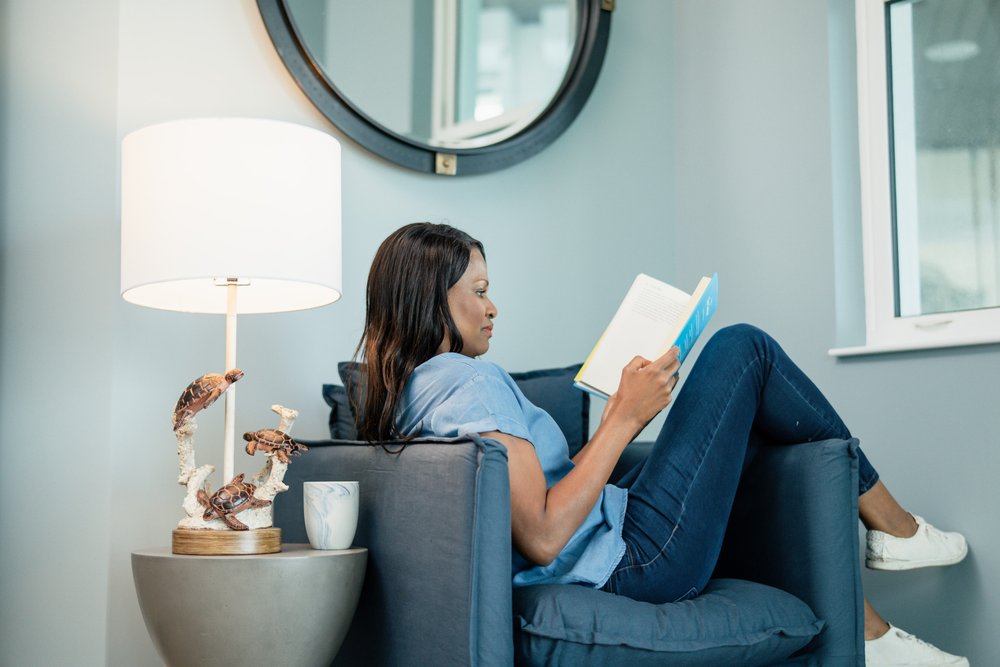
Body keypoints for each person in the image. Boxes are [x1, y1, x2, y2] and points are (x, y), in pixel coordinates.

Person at [354, 222, 970, 666]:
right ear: (433, 299)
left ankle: (872, 633)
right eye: (480, 290)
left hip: (609, 538)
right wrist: (623, 417)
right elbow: (541, 536)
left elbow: (527, 511)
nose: (494, 307)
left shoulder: (404, 392)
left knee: (746, 426)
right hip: (634, 562)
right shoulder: (470, 380)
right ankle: (896, 529)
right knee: (742, 348)